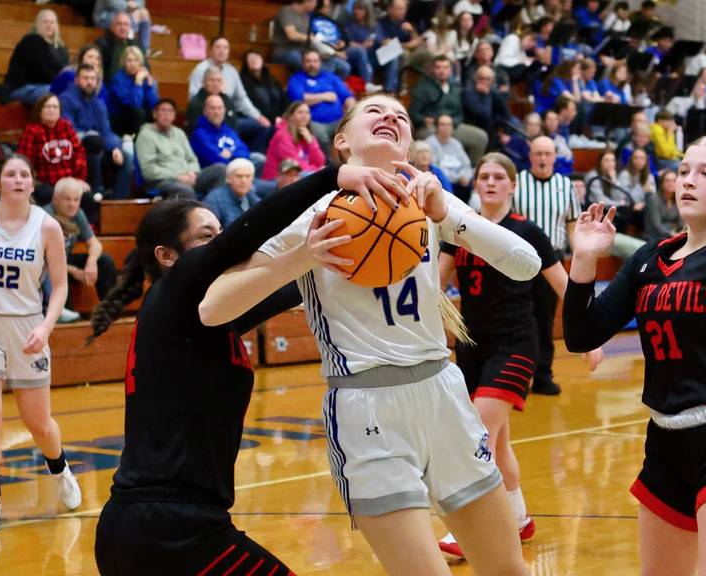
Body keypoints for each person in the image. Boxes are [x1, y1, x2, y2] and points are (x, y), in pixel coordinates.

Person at [199, 94, 544, 576]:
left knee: (509, 570)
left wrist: (448, 215)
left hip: (442, 393)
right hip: (366, 407)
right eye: (375, 111)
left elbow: (527, 265)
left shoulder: (427, 198)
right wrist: (302, 259)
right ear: (342, 140)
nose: (391, 117)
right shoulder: (313, 212)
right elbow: (213, 309)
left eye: (402, 115)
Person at [91, 156, 410, 574]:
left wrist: (363, 246)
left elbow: (290, 286)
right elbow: (252, 231)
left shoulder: (205, 317)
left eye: (220, 231)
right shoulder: (176, 293)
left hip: (150, 526)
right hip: (173, 530)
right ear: (168, 256)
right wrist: (333, 176)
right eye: (207, 236)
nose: (221, 242)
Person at [564, 125, 706, 575]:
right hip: (667, 443)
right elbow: (582, 334)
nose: (687, 180)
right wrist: (584, 260)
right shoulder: (650, 258)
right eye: (683, 170)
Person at [437, 152, 603, 558]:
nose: (491, 182)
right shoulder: (458, 230)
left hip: (516, 344)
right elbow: (433, 286)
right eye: (484, 176)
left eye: (499, 177)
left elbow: (565, 285)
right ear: (476, 184)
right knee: (498, 443)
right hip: (471, 347)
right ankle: (519, 518)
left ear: (513, 185)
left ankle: (468, 532)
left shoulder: (527, 231)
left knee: (476, 436)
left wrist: (591, 335)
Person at [0, 154, 82, 532]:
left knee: (40, 425)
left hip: (29, 327)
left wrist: (46, 327)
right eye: (9, 174)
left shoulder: (46, 227)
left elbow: (60, 285)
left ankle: (59, 468)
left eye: (24, 174)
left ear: (32, 184)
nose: (17, 179)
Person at [513, 136, 581, 395]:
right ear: (530, 155)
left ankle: (543, 375)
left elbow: (572, 223)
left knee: (545, 319)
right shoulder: (517, 183)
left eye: (547, 154)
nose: (542, 158)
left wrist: (577, 255)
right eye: (538, 153)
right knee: (519, 318)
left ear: (555, 157)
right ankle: (518, 376)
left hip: (552, 260)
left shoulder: (566, 185)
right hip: (518, 260)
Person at [60, 64, 132, 201]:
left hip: (98, 148)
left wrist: (115, 147)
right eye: (85, 78)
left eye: (93, 79)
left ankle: (118, 201)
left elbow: (106, 131)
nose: (89, 82)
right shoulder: (66, 99)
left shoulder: (99, 103)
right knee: (94, 141)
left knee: (126, 156)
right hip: (75, 152)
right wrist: (92, 136)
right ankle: (97, 190)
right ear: (76, 80)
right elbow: (68, 130)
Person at [44, 177, 117, 311]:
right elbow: (45, 260)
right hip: (48, 267)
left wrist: (91, 262)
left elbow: (95, 244)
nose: (72, 204)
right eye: (67, 199)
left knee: (105, 261)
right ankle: (68, 319)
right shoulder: (45, 217)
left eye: (76, 200)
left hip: (66, 260)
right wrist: (74, 271)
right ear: (55, 199)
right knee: (56, 273)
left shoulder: (77, 213)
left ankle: (108, 310)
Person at [188, 38, 271, 152]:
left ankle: (252, 160)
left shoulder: (231, 71)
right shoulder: (201, 69)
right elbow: (194, 97)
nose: (221, 51)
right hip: (209, 119)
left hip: (230, 115)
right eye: (218, 47)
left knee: (262, 127)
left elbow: (241, 98)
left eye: (225, 48)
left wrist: (257, 116)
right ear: (210, 50)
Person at [136, 98, 225, 199]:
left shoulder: (179, 133)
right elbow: (148, 170)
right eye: (163, 110)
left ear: (174, 115)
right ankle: (194, 213)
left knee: (221, 170)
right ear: (155, 114)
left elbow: (192, 159)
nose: (166, 114)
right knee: (185, 190)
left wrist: (192, 173)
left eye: (170, 111)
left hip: (188, 176)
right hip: (163, 181)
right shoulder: (146, 135)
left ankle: (212, 208)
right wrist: (177, 176)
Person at [410, 55, 489, 164]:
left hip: (452, 126)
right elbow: (413, 114)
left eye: (445, 67)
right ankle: (432, 173)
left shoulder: (456, 87)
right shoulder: (423, 87)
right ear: (433, 69)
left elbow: (460, 113)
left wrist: (453, 124)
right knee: (426, 139)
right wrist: (425, 120)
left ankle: (471, 172)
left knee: (481, 137)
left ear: (450, 70)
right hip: (432, 127)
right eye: (438, 67)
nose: (442, 71)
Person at [17, 95, 87, 208]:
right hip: (45, 182)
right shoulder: (32, 131)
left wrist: (79, 179)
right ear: (40, 110)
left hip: (70, 180)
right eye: (48, 106)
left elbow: (79, 153)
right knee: (47, 194)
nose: (52, 110)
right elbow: (24, 162)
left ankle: (89, 225)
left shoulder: (66, 126)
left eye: (55, 107)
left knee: (87, 195)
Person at [286, 49, 356, 155]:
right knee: (320, 136)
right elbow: (300, 100)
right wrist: (324, 96)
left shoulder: (331, 78)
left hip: (337, 120)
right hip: (313, 121)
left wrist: (352, 111)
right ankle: (327, 165)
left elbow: (347, 97)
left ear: (320, 62)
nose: (311, 64)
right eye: (308, 61)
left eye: (315, 61)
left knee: (353, 129)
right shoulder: (296, 79)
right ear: (303, 63)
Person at [4, 9, 69, 106]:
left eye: (52, 22)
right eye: (45, 22)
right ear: (37, 24)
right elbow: (41, 71)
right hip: (24, 87)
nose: (49, 25)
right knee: (59, 93)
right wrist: (61, 79)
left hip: (44, 86)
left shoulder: (61, 48)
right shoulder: (32, 40)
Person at [261, 101, 326, 181]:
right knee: (314, 177)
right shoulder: (282, 136)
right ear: (290, 116)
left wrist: (311, 142)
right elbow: (294, 165)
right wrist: (317, 171)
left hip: (298, 175)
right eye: (300, 112)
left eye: (307, 112)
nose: (304, 115)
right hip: (276, 178)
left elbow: (319, 162)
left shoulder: (307, 134)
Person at [107, 46, 159, 136]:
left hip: (137, 115)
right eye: (129, 60)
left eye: (136, 60)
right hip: (119, 118)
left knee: (157, 113)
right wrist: (138, 82)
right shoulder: (118, 79)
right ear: (124, 63)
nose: (133, 64)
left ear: (141, 63)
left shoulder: (143, 76)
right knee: (139, 113)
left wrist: (150, 86)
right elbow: (134, 104)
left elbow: (154, 105)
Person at [190, 95, 250, 170]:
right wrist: (235, 157)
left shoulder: (229, 130)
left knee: (257, 158)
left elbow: (245, 151)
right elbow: (215, 159)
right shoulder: (199, 135)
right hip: (215, 175)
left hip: (237, 170)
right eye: (212, 108)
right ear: (205, 111)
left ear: (224, 110)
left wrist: (230, 154)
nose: (217, 112)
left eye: (220, 108)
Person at [202, 158, 261, 228]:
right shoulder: (214, 200)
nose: (244, 181)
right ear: (228, 178)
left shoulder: (251, 196)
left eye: (248, 176)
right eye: (239, 176)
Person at [426, 115, 474, 202]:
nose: (446, 128)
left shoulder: (456, 143)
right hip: (444, 184)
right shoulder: (430, 143)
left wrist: (465, 176)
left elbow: (466, 164)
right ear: (436, 127)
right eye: (443, 124)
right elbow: (436, 168)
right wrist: (458, 178)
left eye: (449, 125)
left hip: (461, 182)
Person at [240, 50, 289, 125]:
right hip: (260, 119)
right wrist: (274, 118)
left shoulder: (271, 79)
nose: (254, 60)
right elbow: (253, 105)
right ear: (246, 63)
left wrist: (283, 116)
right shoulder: (243, 81)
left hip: (280, 118)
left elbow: (283, 99)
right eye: (251, 59)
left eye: (257, 58)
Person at [95, 11, 143, 83]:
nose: (123, 27)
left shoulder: (136, 45)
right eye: (119, 24)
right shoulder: (102, 44)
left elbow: (145, 66)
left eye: (126, 24)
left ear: (130, 28)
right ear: (111, 27)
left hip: (131, 84)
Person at [271, 0, 316, 71]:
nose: (315, 5)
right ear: (306, 1)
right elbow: (291, 35)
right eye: (314, 2)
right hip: (284, 51)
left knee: (334, 62)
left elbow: (309, 36)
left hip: (301, 51)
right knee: (305, 61)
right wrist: (311, 38)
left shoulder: (305, 16)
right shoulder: (286, 11)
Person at [643, 169, 683, 240]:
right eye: (667, 181)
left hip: (671, 237)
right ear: (661, 184)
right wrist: (671, 231)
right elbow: (656, 226)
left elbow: (681, 223)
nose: (671, 183)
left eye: (674, 181)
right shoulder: (653, 199)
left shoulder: (678, 200)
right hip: (653, 238)